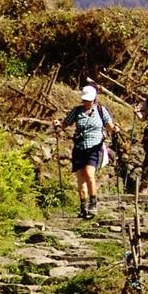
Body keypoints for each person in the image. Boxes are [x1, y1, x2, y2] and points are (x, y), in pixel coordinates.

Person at [54, 81, 115, 219]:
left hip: (95, 147)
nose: (86, 102)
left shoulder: (101, 110)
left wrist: (114, 129)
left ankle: (93, 203)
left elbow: (109, 125)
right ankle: (83, 207)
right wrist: (59, 124)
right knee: (80, 179)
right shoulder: (77, 111)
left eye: (89, 100)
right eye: (84, 100)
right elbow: (65, 123)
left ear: (94, 99)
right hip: (80, 147)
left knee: (89, 173)